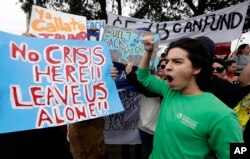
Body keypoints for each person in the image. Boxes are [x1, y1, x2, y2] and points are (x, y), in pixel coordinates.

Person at [137, 37, 243, 158]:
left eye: (177, 61)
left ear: (196, 68)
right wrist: (148, 52)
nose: (167, 67)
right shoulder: (169, 91)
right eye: (167, 61)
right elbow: (143, 77)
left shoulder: (223, 115)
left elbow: (239, 154)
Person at [0, 32, 73, 159]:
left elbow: (83, 85)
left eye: (33, 49)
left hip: (49, 141)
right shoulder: (4, 78)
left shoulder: (52, 78)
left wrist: (105, 76)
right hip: (13, 144)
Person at [68, 67, 118, 159]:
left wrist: (109, 78)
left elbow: (105, 91)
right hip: (76, 131)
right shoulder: (65, 68)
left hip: (94, 129)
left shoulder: (95, 63)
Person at [125, 59, 166, 159]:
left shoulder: (169, 86)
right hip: (143, 127)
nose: (160, 67)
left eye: (164, 66)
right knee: (148, 154)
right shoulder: (150, 79)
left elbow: (148, 92)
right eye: (159, 65)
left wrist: (130, 74)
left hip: (160, 131)